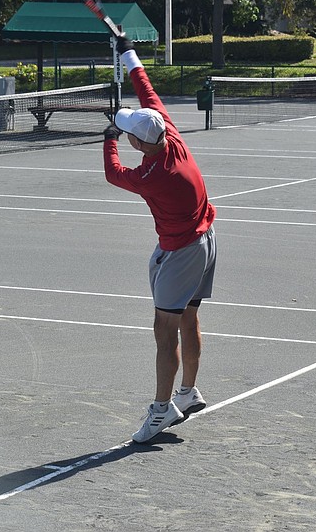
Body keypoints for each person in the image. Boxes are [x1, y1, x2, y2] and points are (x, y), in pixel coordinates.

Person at [103, 35, 217, 443]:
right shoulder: (168, 131)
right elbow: (145, 85)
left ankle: (160, 409)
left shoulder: (152, 177)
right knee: (188, 315)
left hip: (182, 250)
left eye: (129, 132)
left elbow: (114, 174)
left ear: (138, 144)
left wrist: (106, 141)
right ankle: (188, 393)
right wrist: (127, 52)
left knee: (164, 327)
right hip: (206, 239)